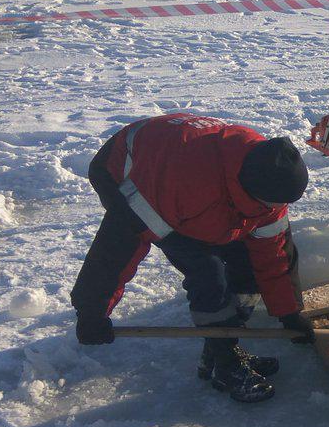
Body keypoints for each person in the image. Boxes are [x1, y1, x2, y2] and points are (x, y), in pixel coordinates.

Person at [70, 113, 315, 403]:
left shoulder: (269, 181)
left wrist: (289, 313)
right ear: (249, 191)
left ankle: (221, 346)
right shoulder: (178, 188)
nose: (277, 209)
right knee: (208, 272)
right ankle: (224, 365)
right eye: (272, 204)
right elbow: (117, 247)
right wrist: (92, 310)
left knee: (246, 258)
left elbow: (273, 253)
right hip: (127, 168)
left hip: (194, 169)